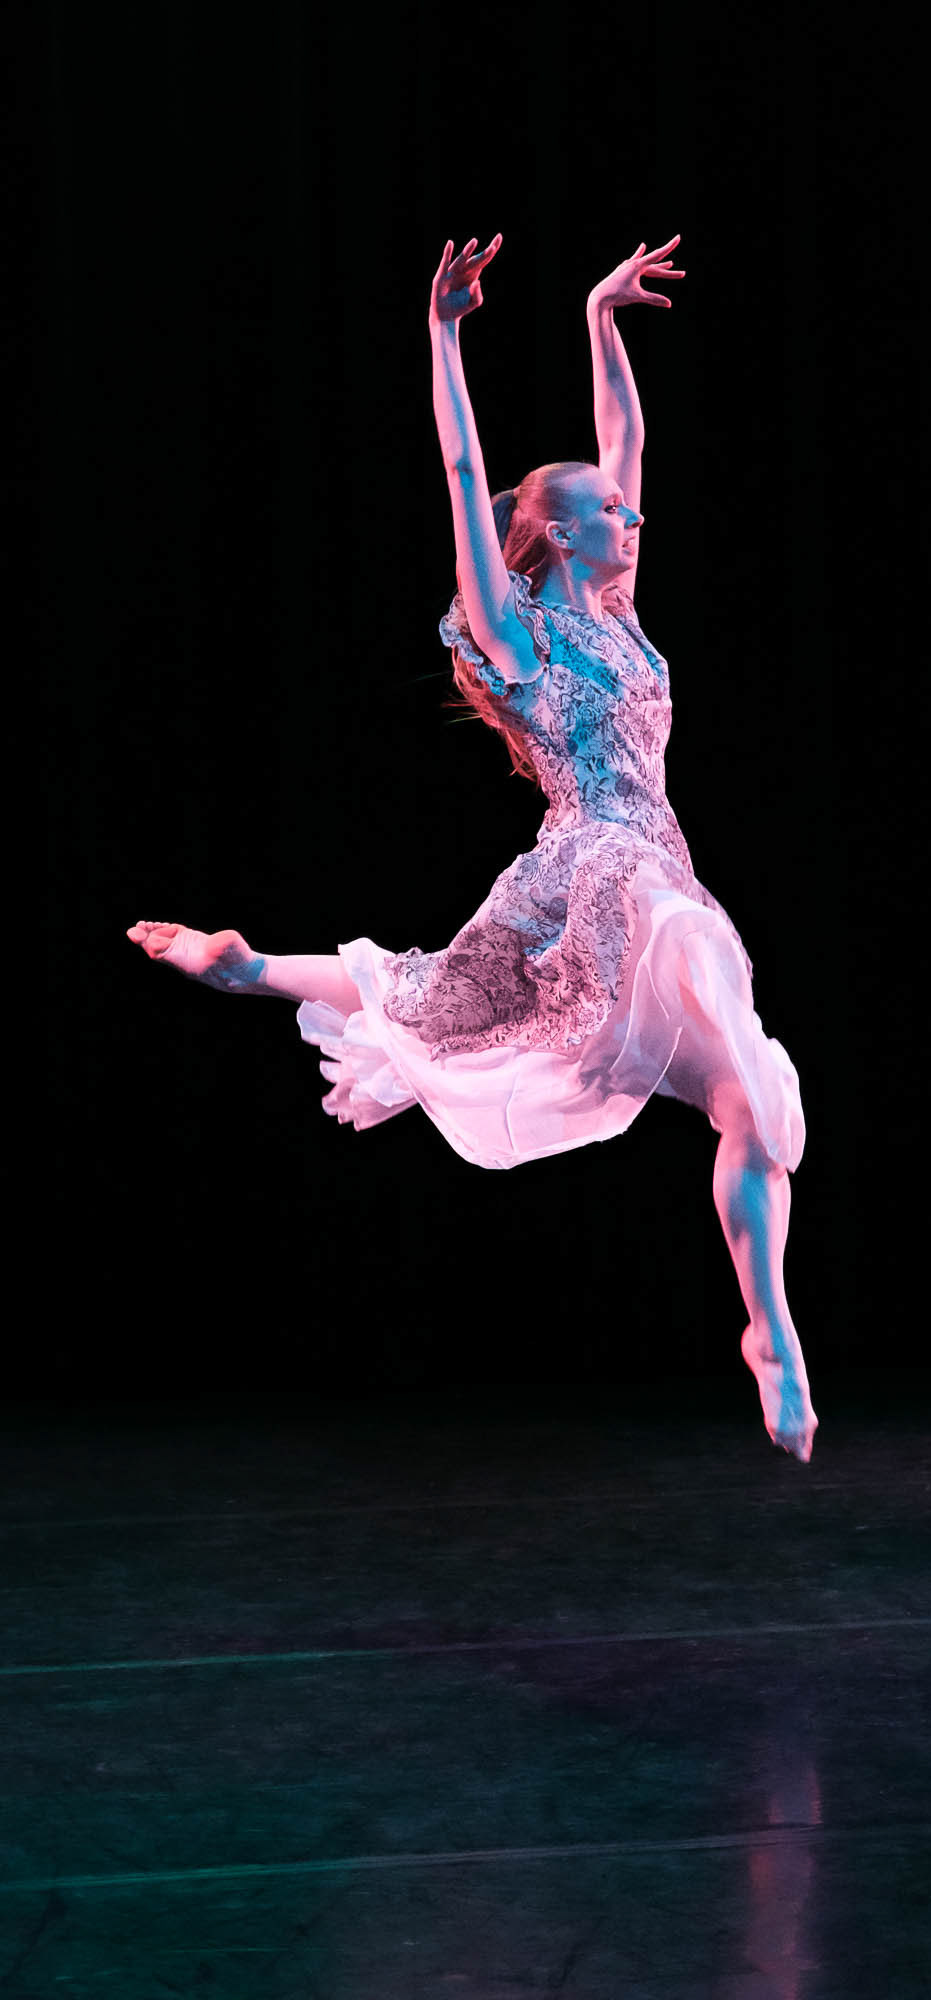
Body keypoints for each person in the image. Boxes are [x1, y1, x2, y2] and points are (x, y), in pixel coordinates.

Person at [127, 232, 818, 1460]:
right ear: (555, 535)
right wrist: (443, 334)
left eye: (623, 504)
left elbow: (626, 440)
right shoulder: (519, 635)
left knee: (749, 1108)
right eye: (605, 510)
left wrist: (600, 317)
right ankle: (243, 967)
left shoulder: (616, 608)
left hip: (654, 865)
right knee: (453, 1004)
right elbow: (462, 469)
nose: (630, 510)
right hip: (605, 874)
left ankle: (768, 1329)